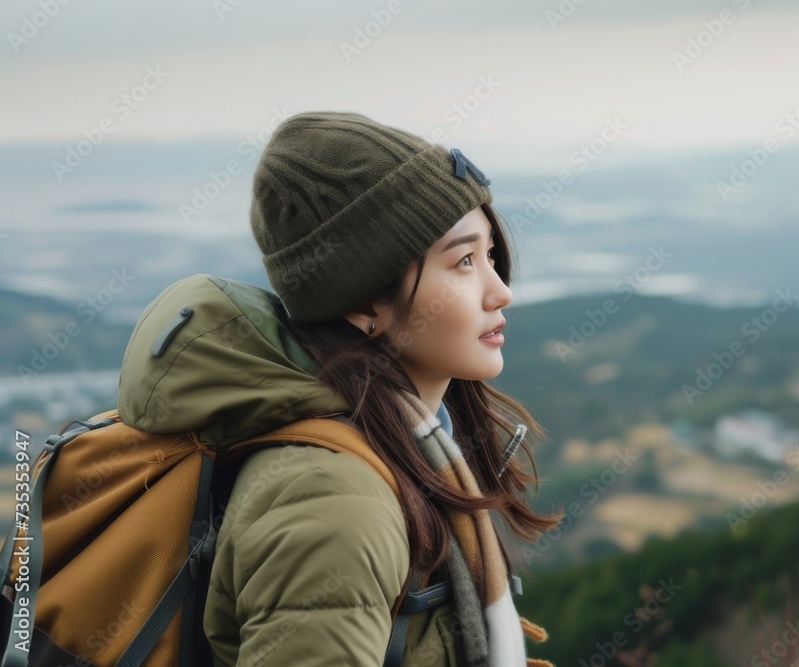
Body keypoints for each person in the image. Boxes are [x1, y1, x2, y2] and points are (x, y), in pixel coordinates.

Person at [201, 111, 562, 666]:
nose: (500, 291)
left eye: (489, 255)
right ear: (364, 301)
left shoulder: (414, 445)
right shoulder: (334, 501)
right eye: (464, 261)